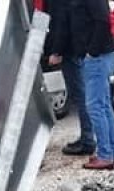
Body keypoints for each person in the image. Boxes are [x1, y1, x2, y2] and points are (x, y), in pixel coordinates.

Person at [63, 0, 114, 170]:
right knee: (103, 106)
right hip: (100, 55)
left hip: (98, 57)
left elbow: (103, 21)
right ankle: (113, 152)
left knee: (95, 106)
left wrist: (92, 52)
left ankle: (105, 155)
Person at [46, 0, 94, 156]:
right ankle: (88, 137)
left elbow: (62, 23)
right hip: (76, 47)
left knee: (80, 96)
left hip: (70, 50)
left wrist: (56, 51)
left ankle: (88, 140)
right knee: (82, 95)